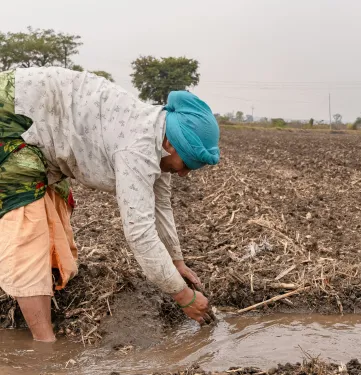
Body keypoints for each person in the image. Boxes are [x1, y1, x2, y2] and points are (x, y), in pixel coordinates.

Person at [0, 67, 218, 342]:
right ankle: (45, 349)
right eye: (186, 165)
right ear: (171, 144)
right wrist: (184, 296)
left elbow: (160, 206)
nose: (185, 173)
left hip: (38, 120)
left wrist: (176, 261)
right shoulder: (137, 148)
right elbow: (140, 233)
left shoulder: (157, 135)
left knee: (52, 207)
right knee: (28, 223)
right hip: (12, 117)